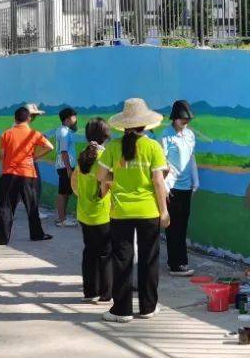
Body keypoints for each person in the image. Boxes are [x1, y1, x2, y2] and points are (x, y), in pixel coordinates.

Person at [97, 98, 170, 323]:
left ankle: (121, 311)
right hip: (148, 211)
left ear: (124, 124)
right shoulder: (153, 147)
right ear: (145, 124)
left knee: (122, 260)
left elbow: (100, 176)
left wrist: (117, 180)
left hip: (121, 212)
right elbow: (159, 182)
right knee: (149, 259)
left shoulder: (113, 147)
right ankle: (148, 307)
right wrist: (164, 211)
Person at [0, 105, 55, 245]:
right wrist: (35, 157)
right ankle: (37, 234)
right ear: (29, 118)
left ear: (15, 118)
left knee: (6, 206)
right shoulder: (34, 134)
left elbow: (1, 155)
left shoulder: (7, 133)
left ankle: (1, 238)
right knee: (32, 206)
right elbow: (50, 146)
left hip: (9, 174)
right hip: (28, 175)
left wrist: (6, 166)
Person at [72, 118, 113, 304]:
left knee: (89, 252)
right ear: (105, 135)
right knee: (105, 254)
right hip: (102, 213)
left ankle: (90, 292)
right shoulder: (104, 156)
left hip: (83, 213)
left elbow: (76, 183)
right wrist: (102, 195)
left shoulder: (83, 154)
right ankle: (106, 294)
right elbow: (107, 183)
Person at [160, 99, 199, 276]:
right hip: (171, 186)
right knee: (173, 226)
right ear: (174, 118)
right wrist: (164, 187)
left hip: (186, 186)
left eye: (188, 120)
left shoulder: (190, 135)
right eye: (183, 119)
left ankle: (178, 261)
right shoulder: (165, 136)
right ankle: (176, 264)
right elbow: (161, 164)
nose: (185, 122)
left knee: (183, 225)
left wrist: (195, 180)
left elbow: (191, 158)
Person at [53, 107, 79, 227]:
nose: (76, 119)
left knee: (66, 192)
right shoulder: (64, 132)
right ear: (68, 119)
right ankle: (62, 220)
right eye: (74, 117)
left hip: (64, 165)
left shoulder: (63, 130)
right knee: (63, 192)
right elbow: (63, 151)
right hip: (65, 166)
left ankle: (62, 218)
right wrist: (68, 168)